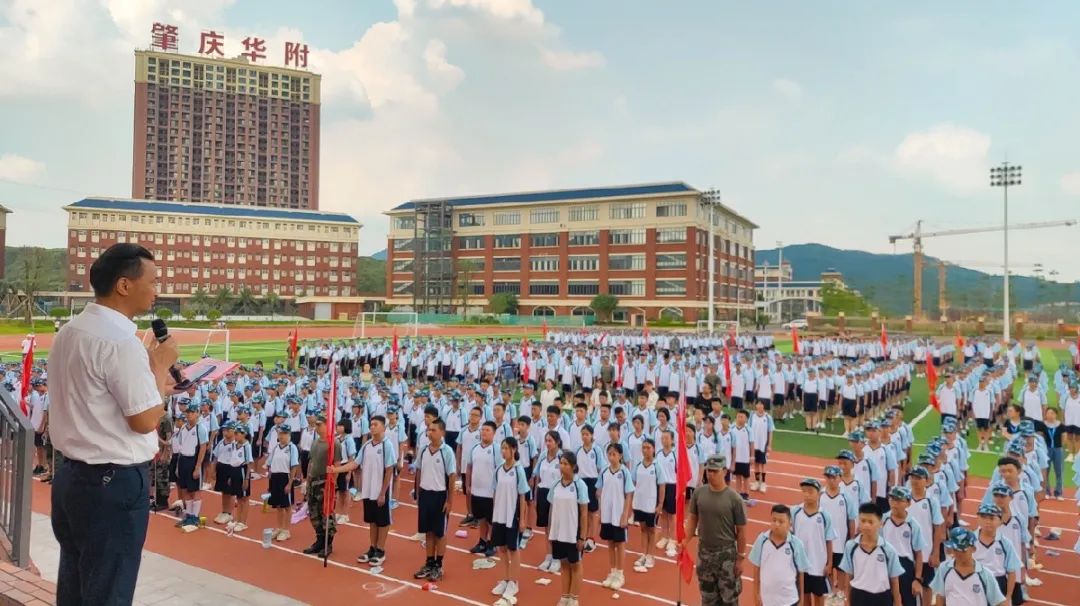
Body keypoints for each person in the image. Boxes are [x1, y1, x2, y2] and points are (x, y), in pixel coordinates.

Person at [49, 243, 179, 605]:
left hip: (73, 476)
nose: (157, 290)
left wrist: (152, 379)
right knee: (108, 592)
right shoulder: (121, 341)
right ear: (124, 285)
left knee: (76, 586)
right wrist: (160, 366)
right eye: (153, 281)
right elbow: (145, 420)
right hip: (113, 482)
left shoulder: (69, 332)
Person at [681, 454, 748, 606]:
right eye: (708, 470)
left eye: (715, 471)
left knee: (729, 600)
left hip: (726, 556)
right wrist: (685, 540)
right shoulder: (699, 493)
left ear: (724, 471)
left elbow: (742, 532)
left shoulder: (734, 499)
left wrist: (740, 558)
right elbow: (692, 520)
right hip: (705, 554)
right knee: (707, 599)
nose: (710, 474)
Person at [331, 414, 397, 566]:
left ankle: (381, 549)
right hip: (368, 489)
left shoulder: (387, 445)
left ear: (383, 427)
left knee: (383, 521)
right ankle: (372, 547)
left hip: (381, 491)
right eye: (371, 424)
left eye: (376, 424)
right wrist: (336, 469)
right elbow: (354, 463)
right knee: (372, 520)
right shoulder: (367, 445)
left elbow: (389, 470)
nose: (372, 427)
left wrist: (383, 492)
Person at [414, 418, 457, 582]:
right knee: (428, 531)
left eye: (433, 430)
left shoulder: (447, 452)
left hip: (440, 496)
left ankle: (438, 565)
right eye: (429, 430)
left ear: (442, 432)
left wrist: (449, 500)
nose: (429, 433)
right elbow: (418, 470)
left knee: (440, 532)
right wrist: (418, 493)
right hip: (425, 495)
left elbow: (452, 476)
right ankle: (429, 562)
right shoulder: (424, 450)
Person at [839, 503, 904, 606]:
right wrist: (847, 599)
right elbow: (849, 575)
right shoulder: (851, 546)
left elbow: (894, 581)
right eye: (863, 521)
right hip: (858, 596)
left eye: (871, 522)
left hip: (882, 598)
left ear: (880, 523)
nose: (866, 525)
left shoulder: (888, 550)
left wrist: (898, 602)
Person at [489, 437, 528, 602]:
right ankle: (505, 579)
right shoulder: (498, 469)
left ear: (513, 449)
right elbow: (495, 493)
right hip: (499, 515)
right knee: (502, 548)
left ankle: (514, 581)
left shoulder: (518, 470)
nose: (503, 451)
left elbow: (523, 497)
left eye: (506, 448)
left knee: (513, 549)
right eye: (502, 448)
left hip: (512, 515)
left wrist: (523, 520)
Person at [548, 451, 588, 606]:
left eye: (565, 464)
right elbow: (552, 509)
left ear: (573, 466)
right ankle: (564, 596)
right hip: (558, 533)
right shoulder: (555, 485)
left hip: (573, 533)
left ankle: (574, 598)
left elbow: (584, 513)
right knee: (564, 564)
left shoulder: (580, 486)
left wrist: (582, 537)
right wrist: (551, 531)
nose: (562, 467)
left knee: (575, 565)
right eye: (561, 463)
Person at [748, 504, 810, 606]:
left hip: (790, 600)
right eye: (774, 520)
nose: (776, 524)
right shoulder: (762, 540)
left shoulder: (796, 544)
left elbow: (801, 573)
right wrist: (756, 594)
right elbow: (756, 569)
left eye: (781, 521)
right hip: (767, 600)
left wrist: (801, 600)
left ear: (789, 524)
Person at [930, 528, 1007, 606]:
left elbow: (999, 602)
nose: (959, 554)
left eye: (963, 550)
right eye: (956, 549)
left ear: (973, 549)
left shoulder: (985, 575)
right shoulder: (944, 569)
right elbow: (940, 596)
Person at [792, 478, 835, 606]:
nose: (806, 495)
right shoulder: (795, 512)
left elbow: (829, 540)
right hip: (801, 564)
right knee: (804, 596)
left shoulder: (824, 515)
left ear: (818, 493)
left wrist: (829, 563)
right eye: (804, 491)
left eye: (810, 492)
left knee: (819, 597)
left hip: (818, 564)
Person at [598, 442, 634, 591]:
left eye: (614, 454)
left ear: (620, 456)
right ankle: (612, 572)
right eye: (609, 454)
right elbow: (599, 492)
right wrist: (600, 512)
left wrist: (625, 514)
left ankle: (620, 574)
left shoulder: (624, 472)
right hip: (607, 514)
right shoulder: (604, 471)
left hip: (619, 514)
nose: (611, 457)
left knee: (620, 544)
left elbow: (629, 494)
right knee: (610, 543)